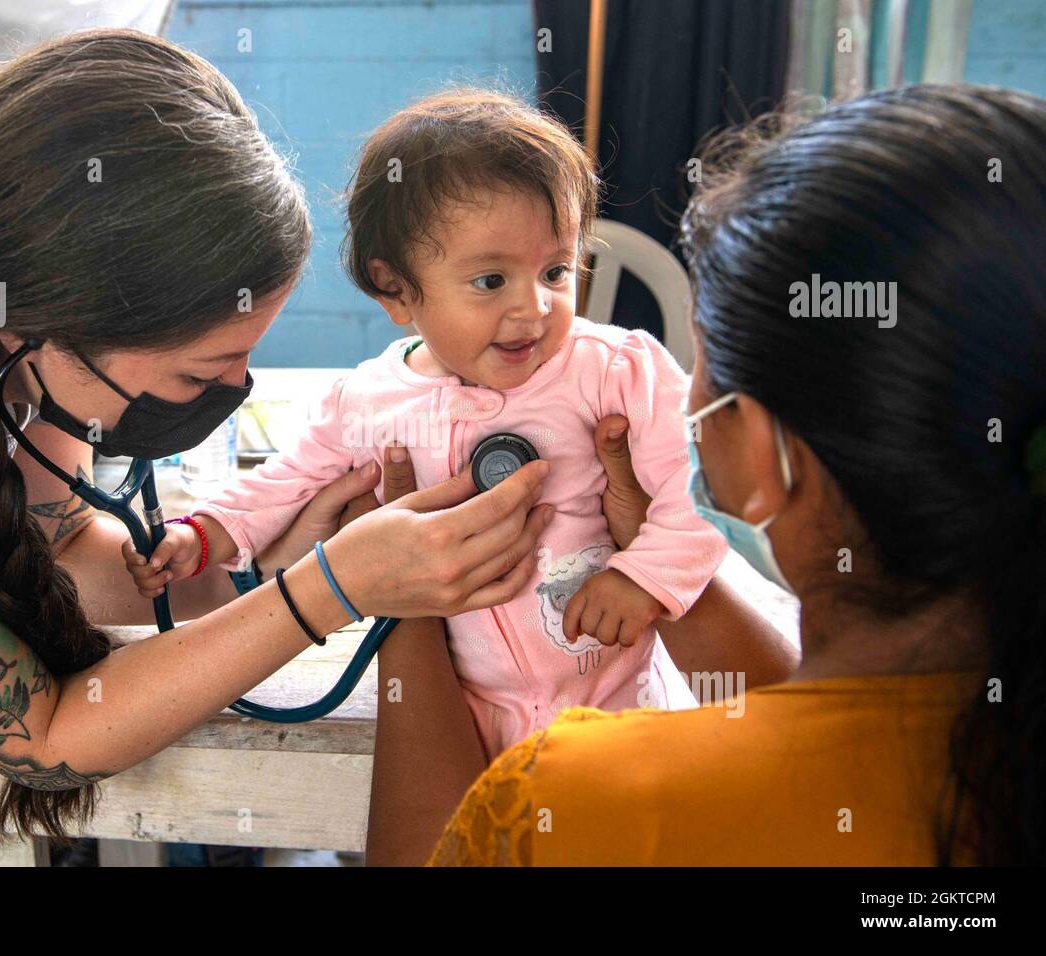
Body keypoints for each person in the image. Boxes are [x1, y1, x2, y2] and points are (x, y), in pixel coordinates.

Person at [0, 30, 552, 862]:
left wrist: (263, 569)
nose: (236, 388)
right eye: (203, 371)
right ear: (47, 331)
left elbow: (62, 552)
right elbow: (48, 738)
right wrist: (333, 588)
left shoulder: (13, 229)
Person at [366, 84, 1046, 866]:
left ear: (762, 453)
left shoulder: (577, 800)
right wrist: (652, 562)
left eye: (699, 368)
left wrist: (401, 600)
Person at [127, 89, 728, 759]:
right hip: (468, 718)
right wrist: (205, 533)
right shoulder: (368, 400)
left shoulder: (614, 371)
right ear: (396, 289)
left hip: (617, 701)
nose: (534, 306)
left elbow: (700, 487)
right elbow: (289, 481)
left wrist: (643, 577)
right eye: (491, 281)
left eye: (556, 270)